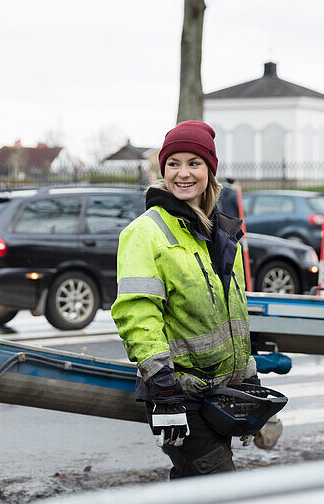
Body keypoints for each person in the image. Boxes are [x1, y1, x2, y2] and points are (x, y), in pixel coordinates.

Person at [111, 120, 258, 478]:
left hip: (219, 393)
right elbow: (137, 313)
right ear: (162, 171)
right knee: (220, 485)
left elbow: (232, 315)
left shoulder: (221, 235)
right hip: (178, 392)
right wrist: (163, 388)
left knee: (194, 486)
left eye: (194, 163)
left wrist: (247, 377)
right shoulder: (144, 233)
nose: (183, 173)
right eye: (173, 163)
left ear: (210, 169)